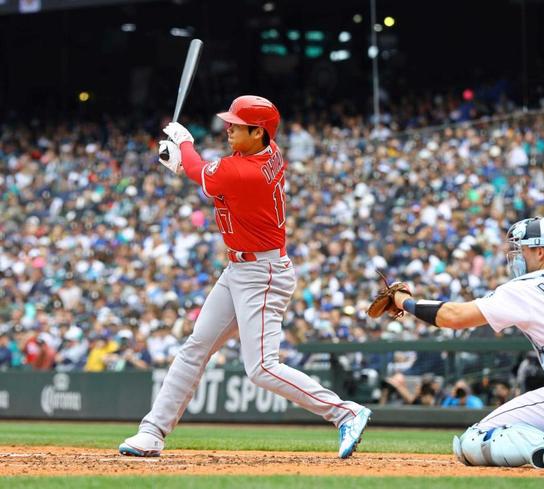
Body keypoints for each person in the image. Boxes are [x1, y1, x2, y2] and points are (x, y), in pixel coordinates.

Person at [119, 95, 370, 459]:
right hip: (240, 268)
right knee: (196, 347)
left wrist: (183, 145)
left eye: (237, 125)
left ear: (259, 132)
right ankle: (153, 431)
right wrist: (182, 155)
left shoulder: (245, 171)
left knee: (262, 368)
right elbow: (207, 171)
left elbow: (199, 171)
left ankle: (345, 411)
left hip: (262, 273)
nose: (228, 128)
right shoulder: (264, 154)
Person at [385, 217, 544, 469]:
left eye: (522, 249)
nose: (517, 255)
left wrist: (403, 301)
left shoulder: (526, 286)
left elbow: (453, 317)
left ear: (540, 251)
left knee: (472, 440)